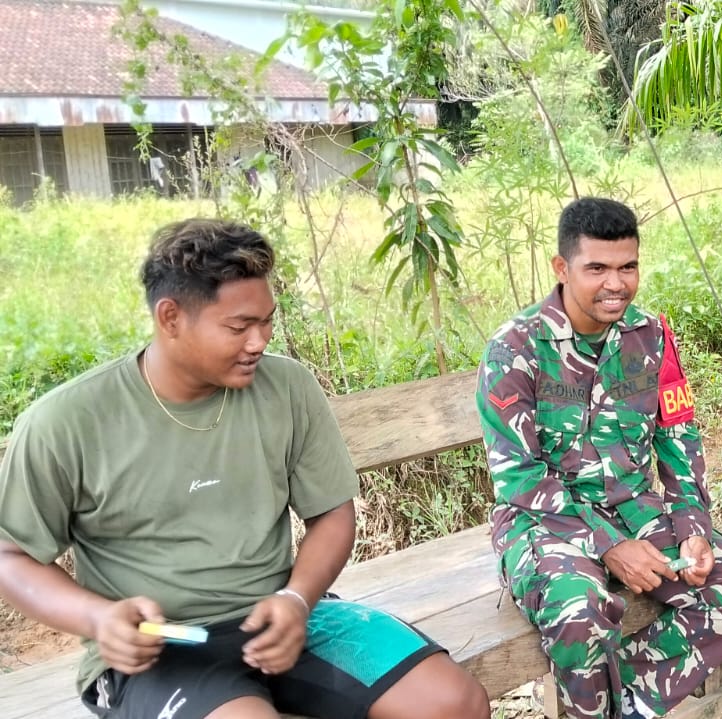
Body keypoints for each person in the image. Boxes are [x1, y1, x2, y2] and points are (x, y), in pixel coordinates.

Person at [0, 219, 490, 719]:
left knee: (454, 703)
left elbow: (332, 513)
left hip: (283, 620)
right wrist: (98, 617)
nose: (259, 341)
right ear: (170, 317)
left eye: (267, 322)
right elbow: (10, 555)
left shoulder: (287, 388)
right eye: (238, 327)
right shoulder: (70, 421)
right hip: (157, 649)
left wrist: (297, 598)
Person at [477, 197, 722, 719]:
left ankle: (626, 699)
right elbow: (518, 477)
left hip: (634, 508)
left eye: (627, 267)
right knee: (579, 613)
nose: (615, 283)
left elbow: (678, 440)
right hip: (543, 521)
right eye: (597, 269)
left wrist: (693, 529)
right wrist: (610, 546)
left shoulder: (651, 336)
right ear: (562, 268)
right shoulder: (515, 348)